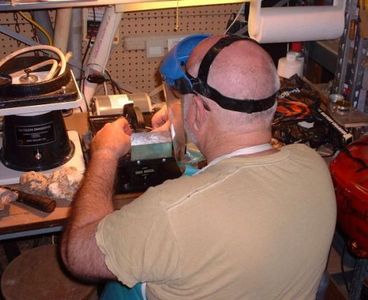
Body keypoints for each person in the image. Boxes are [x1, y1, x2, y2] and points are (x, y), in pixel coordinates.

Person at [61, 34, 336, 300]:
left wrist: (105, 153)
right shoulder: (313, 165)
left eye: (185, 100)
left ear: (199, 110)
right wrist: (187, 121)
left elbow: (77, 253)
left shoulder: (168, 214)